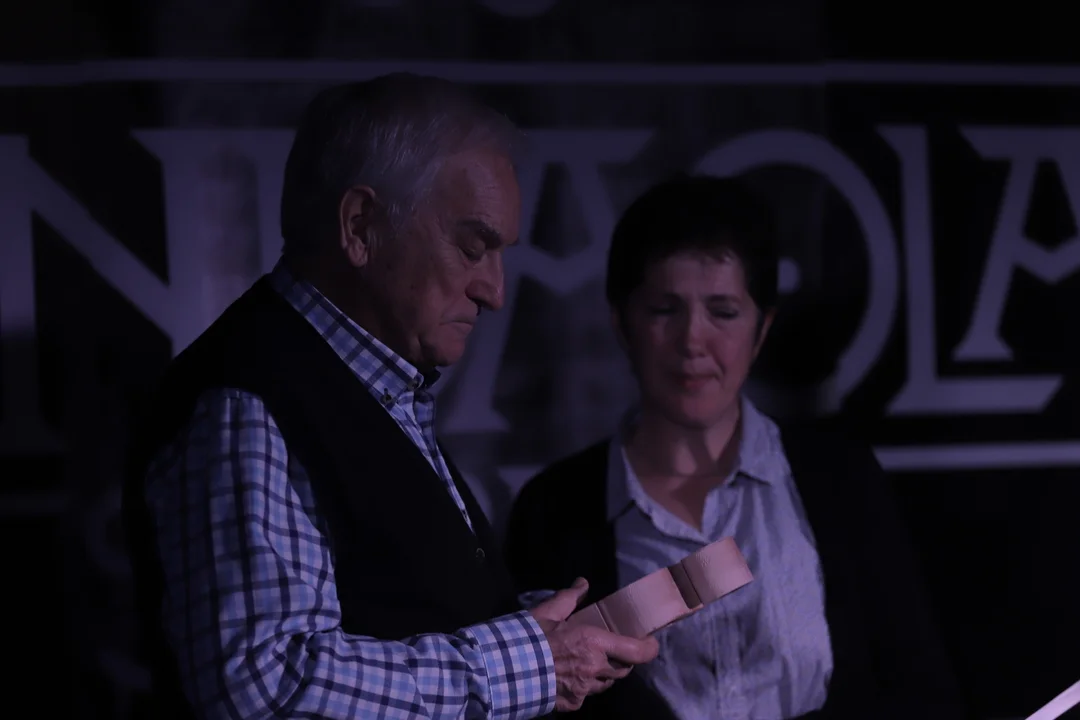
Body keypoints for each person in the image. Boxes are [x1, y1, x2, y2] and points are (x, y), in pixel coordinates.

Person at [121, 73, 658, 720]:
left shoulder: (363, 385)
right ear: (360, 226)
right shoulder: (246, 402)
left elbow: (394, 612)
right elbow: (260, 688)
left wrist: (533, 633)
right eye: (473, 248)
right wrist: (529, 664)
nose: (494, 292)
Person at [503, 175, 968, 719]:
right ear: (622, 322)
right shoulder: (554, 510)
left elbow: (923, 691)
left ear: (761, 328)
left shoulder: (840, 479)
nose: (693, 341)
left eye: (723, 312)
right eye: (664, 310)